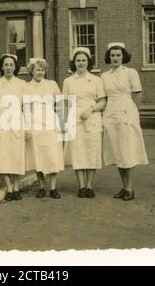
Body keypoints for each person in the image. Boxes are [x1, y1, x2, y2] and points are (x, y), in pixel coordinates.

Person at [101, 42, 148, 201]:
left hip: (126, 111)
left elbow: (138, 93)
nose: (115, 58)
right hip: (111, 112)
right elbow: (104, 97)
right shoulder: (105, 76)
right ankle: (124, 186)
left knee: (127, 150)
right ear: (109, 57)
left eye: (118, 55)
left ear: (123, 56)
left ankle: (130, 188)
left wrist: (134, 111)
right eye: (112, 55)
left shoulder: (131, 72)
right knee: (117, 152)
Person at [63, 47, 106, 198]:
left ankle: (89, 186)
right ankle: (81, 186)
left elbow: (102, 101)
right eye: (78, 60)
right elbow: (66, 104)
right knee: (78, 153)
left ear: (88, 62)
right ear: (73, 63)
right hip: (75, 120)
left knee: (91, 152)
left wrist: (91, 110)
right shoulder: (68, 81)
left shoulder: (96, 80)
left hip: (92, 118)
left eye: (83, 60)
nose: (81, 63)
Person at [0, 54, 30, 202]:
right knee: (4, 156)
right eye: (6, 65)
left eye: (11, 64)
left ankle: (17, 186)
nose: (8, 67)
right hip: (1, 123)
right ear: (2, 66)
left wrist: (27, 127)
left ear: (15, 66)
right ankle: (9, 188)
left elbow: (26, 107)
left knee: (16, 155)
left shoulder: (22, 84)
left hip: (18, 122)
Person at [25, 58, 64, 199]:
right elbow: (26, 107)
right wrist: (28, 127)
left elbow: (59, 105)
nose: (40, 72)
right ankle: (41, 186)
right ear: (32, 71)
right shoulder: (27, 86)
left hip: (50, 121)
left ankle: (53, 187)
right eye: (37, 69)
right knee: (38, 155)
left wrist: (61, 124)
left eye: (42, 70)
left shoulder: (51, 84)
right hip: (35, 122)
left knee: (52, 155)